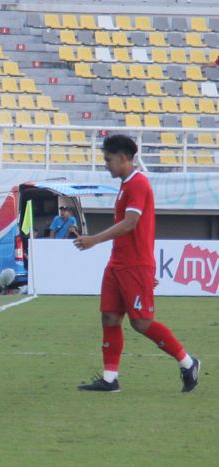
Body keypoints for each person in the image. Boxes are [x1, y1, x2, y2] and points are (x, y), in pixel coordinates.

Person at [74, 134, 200, 393]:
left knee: (140, 322)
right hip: (117, 263)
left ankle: (188, 363)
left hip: (134, 264)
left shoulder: (138, 184)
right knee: (109, 317)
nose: (105, 165)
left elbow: (131, 224)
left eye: (108, 160)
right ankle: (110, 379)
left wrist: (94, 239)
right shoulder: (125, 185)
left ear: (123, 158)